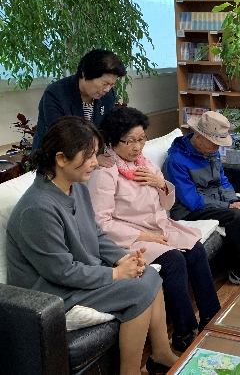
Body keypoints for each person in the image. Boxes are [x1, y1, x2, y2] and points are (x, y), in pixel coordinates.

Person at [6, 116, 178, 375]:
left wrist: (122, 258)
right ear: (61, 159)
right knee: (139, 290)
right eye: (88, 156)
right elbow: (61, 272)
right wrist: (116, 274)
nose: (96, 163)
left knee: (150, 275)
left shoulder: (76, 188)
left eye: (95, 154)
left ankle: (161, 353)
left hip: (78, 276)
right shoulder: (38, 208)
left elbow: (96, 234)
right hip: (52, 294)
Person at [88, 106, 221, 352]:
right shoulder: (105, 173)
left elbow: (166, 204)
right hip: (129, 238)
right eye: (129, 141)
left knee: (195, 249)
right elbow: (101, 224)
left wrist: (161, 184)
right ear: (113, 141)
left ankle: (212, 317)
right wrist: (146, 236)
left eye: (141, 139)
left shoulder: (145, 164)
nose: (137, 147)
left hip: (159, 228)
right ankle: (184, 332)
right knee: (174, 261)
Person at [164, 111, 240, 285]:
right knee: (235, 215)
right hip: (189, 210)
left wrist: (234, 200)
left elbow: (222, 182)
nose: (217, 148)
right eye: (214, 144)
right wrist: (228, 206)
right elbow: (192, 200)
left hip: (214, 201)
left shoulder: (210, 152)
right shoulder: (175, 161)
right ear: (199, 136)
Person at [32, 49, 126, 168]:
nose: (107, 89)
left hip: (89, 161)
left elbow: (106, 129)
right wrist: (93, 158)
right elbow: (62, 138)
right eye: (104, 83)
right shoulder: (55, 94)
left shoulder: (108, 95)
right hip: (55, 162)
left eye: (112, 84)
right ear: (84, 74)